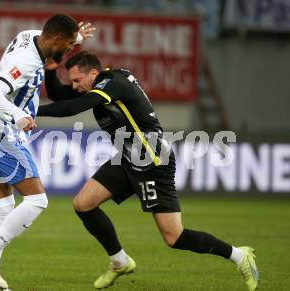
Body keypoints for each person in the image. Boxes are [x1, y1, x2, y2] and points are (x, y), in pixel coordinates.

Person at [37, 51, 259, 291]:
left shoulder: (113, 83)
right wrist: (50, 70)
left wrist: (31, 111)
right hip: (127, 156)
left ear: (93, 73)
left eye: (77, 80)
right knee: (83, 203)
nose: (74, 86)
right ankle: (120, 261)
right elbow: (59, 95)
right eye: (72, 81)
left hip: (152, 160)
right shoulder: (99, 84)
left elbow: (73, 107)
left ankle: (239, 255)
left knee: (174, 237)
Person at [0, 14, 95, 291]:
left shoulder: (32, 35)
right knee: (37, 200)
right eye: (70, 44)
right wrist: (18, 116)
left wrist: (79, 38)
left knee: (2, 207)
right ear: (57, 40)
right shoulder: (23, 62)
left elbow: (53, 36)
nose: (70, 49)